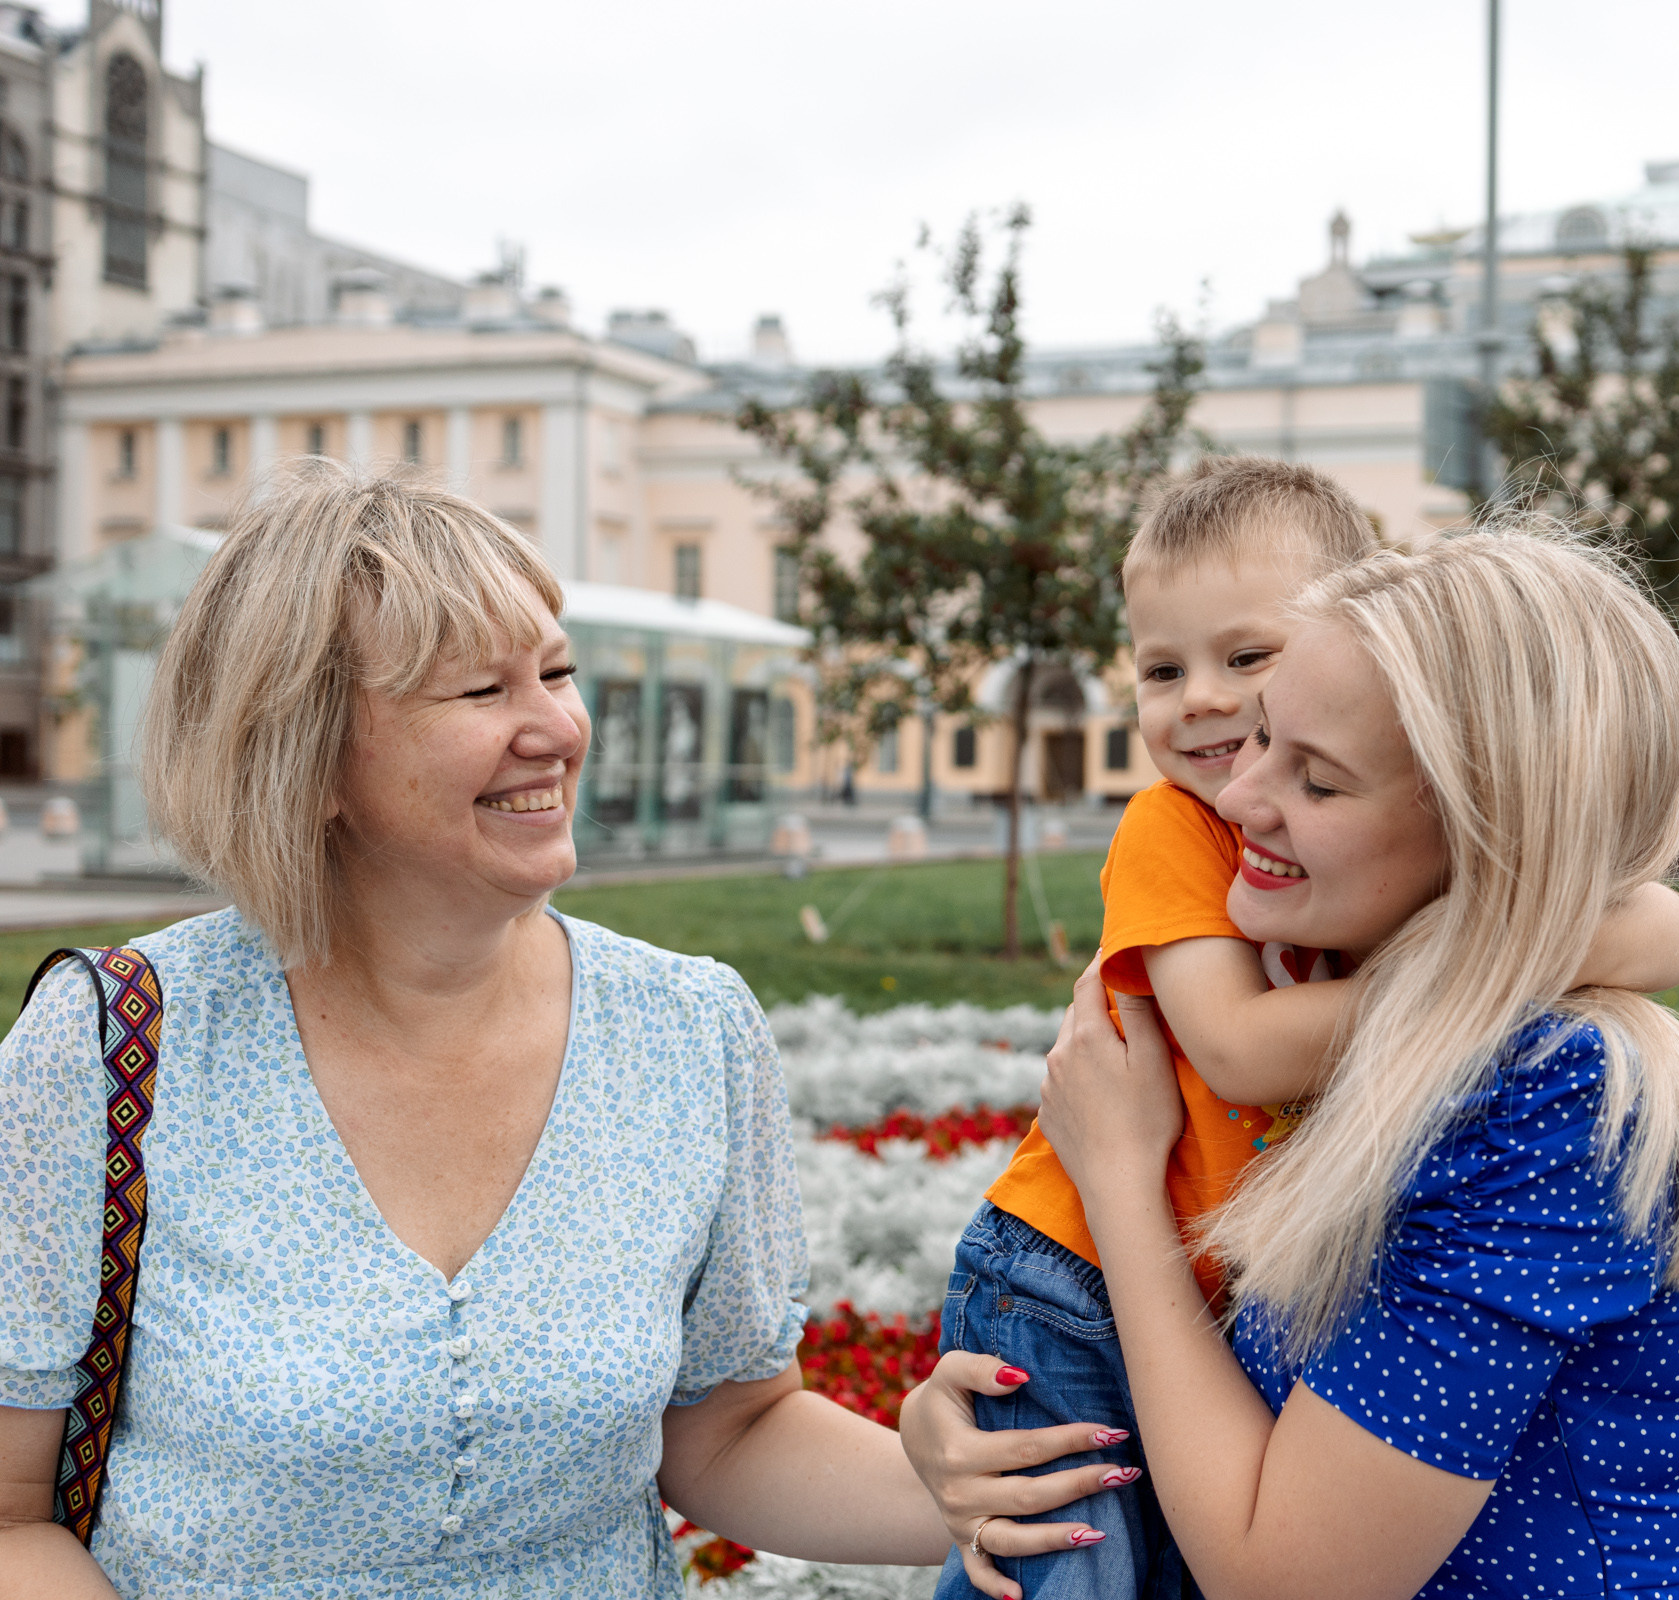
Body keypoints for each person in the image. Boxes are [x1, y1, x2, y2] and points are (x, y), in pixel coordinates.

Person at [0, 463, 1107, 1598]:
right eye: (481, 691)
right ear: (306, 752)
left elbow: (729, 1428)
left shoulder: (690, 1032)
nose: (558, 729)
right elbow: (9, 1516)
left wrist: (974, 1491)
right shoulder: (108, 1049)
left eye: (558, 673)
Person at [920, 499, 1679, 1600]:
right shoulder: (1390, 1030)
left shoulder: (1550, 1097)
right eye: (1263, 737)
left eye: (1318, 778)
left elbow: (1284, 1580)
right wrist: (947, 1458)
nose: (1238, 797)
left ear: (1484, 830)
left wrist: (1118, 1183)